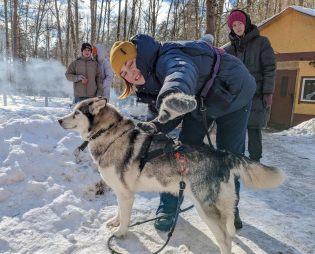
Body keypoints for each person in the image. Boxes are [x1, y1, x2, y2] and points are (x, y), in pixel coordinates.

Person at [109, 34, 257, 231]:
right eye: (124, 72)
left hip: (236, 95)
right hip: (200, 102)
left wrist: (172, 96)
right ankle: (168, 209)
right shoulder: (146, 86)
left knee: (229, 156)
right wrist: (156, 125)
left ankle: (229, 210)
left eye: (131, 62)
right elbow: (168, 116)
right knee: (181, 155)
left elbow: (180, 71)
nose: (131, 72)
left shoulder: (167, 55)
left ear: (141, 56)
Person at [225, 11, 276, 227]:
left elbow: (270, 67)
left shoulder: (262, 42)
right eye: (234, 24)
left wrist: (268, 92)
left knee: (254, 129)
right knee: (236, 134)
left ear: (246, 23)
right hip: (237, 98)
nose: (237, 27)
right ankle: (241, 165)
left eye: (240, 23)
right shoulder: (228, 49)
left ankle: (255, 165)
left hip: (256, 94)